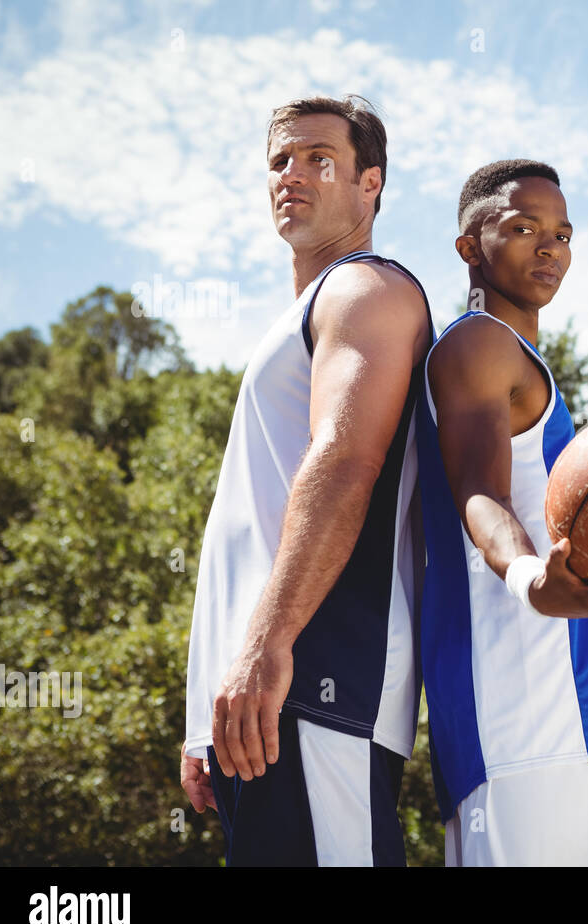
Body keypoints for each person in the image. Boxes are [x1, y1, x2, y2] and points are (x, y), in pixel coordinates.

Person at [178, 95, 432, 866]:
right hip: (259, 707)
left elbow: (346, 461)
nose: (292, 173)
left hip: (321, 683)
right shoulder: (297, 323)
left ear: (370, 185)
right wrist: (202, 720)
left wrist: (266, 644)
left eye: (319, 157)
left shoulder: (367, 289)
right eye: (279, 160)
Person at [416, 159, 588, 866]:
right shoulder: (477, 345)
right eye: (524, 227)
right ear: (471, 245)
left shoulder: (519, 360)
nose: (550, 248)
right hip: (519, 714)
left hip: (561, 713)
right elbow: (481, 493)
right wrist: (533, 578)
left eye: (563, 234)